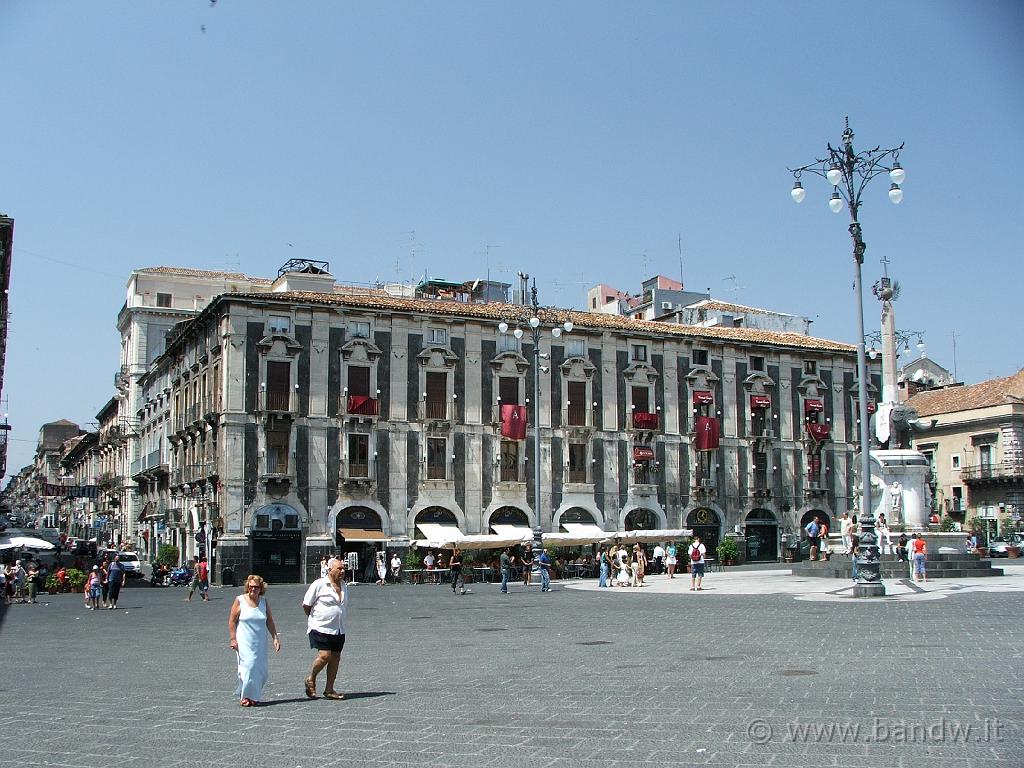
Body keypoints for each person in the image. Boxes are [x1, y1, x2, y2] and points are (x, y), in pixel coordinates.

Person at [228, 574, 281, 707]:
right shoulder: (239, 600)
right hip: (244, 640)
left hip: (259, 641)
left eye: (256, 587)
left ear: (261, 588)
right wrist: (233, 639)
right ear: (247, 587)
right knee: (248, 667)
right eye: (251, 586)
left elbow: (269, 620)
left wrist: (275, 637)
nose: (253, 589)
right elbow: (232, 621)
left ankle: (252, 695)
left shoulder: (263, 601)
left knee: (261, 671)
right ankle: (246, 696)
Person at [302, 557, 348, 700]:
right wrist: (316, 619)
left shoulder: (344, 585)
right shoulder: (319, 584)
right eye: (339, 569)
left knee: (335, 657)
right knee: (325, 656)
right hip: (320, 627)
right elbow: (306, 605)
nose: (342, 571)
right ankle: (311, 678)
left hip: (338, 628)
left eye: (343, 568)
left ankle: (329, 689)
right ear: (329, 570)